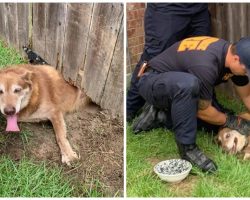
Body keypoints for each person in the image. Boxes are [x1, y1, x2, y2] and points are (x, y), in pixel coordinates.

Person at [131, 36, 250, 173]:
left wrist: (226, 119)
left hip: (176, 83)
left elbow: (247, 96)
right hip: (152, 81)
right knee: (190, 88)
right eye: (246, 70)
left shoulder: (231, 55)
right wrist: (231, 120)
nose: (245, 73)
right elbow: (203, 111)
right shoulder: (207, 65)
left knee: (214, 122)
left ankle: (160, 115)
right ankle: (188, 149)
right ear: (236, 59)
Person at [127, 3, 211, 122]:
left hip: (199, 9)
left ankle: (203, 110)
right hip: (166, 9)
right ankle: (130, 108)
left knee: (200, 56)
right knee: (152, 57)